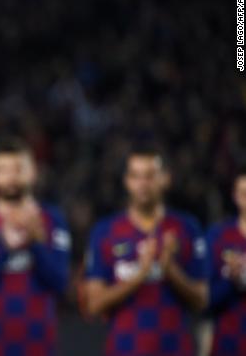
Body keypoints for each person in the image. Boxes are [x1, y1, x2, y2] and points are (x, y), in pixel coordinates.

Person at [84, 148, 207, 356]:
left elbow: (202, 301)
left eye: (150, 176)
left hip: (175, 349)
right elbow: (94, 304)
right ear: (126, 181)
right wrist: (140, 275)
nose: (142, 184)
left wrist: (171, 270)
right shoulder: (105, 231)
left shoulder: (186, 228)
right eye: (135, 176)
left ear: (165, 179)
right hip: (124, 348)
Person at [0, 138, 71, 355]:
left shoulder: (51, 219)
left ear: (33, 173)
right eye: (3, 170)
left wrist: (36, 245)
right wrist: (4, 248)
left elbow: (60, 283)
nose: (11, 177)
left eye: (18, 169)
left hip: (38, 344)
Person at [207, 170, 246, 355]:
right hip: (228, 343)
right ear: (235, 196)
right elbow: (205, 300)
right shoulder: (219, 237)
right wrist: (232, 280)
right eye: (244, 193)